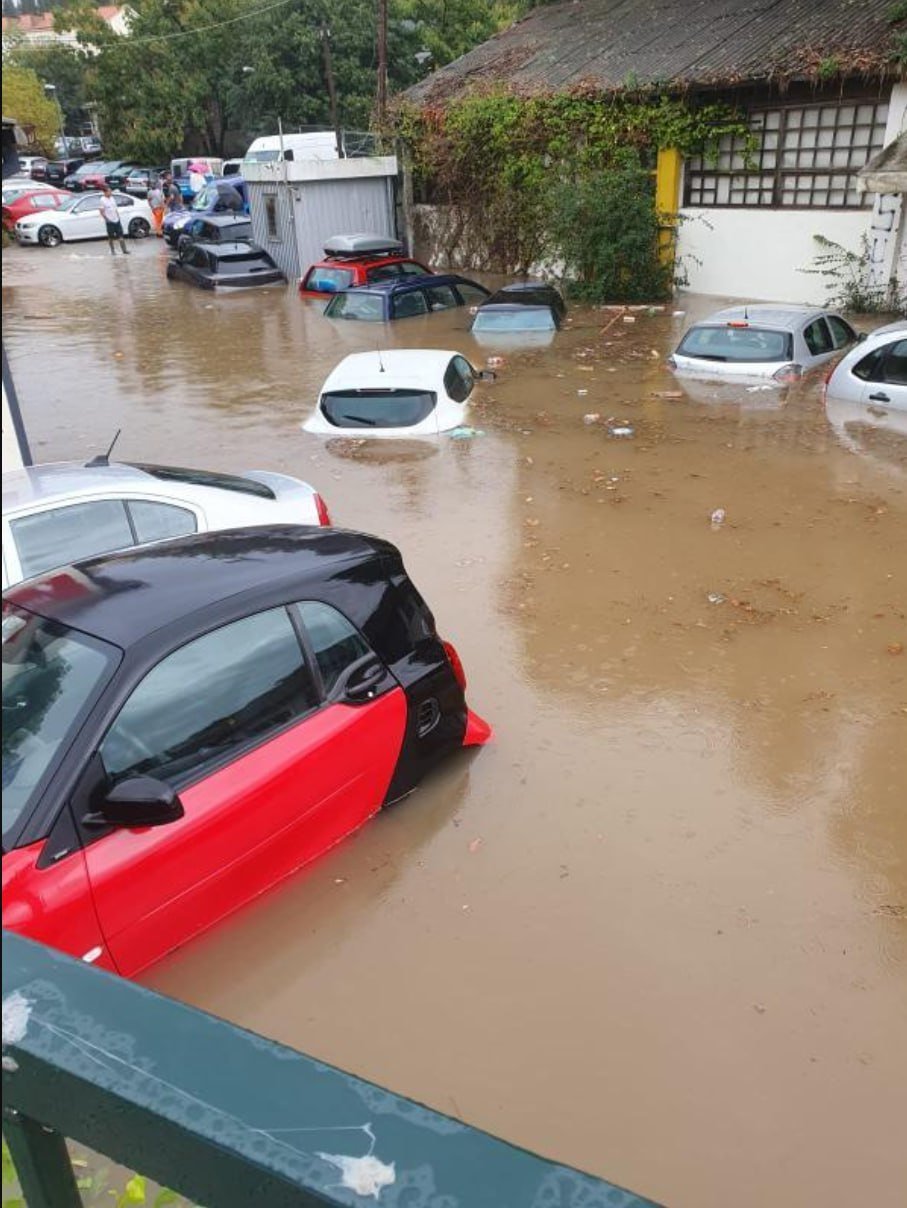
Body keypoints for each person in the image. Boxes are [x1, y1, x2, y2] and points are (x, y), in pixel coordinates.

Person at [99, 186, 129, 255]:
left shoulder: (112, 198)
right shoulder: (102, 200)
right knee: (111, 237)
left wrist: (118, 217)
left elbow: (115, 209)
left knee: (120, 235)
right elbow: (101, 211)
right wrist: (107, 219)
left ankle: (124, 250)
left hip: (117, 220)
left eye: (110, 191)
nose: (110, 193)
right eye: (109, 191)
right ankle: (112, 250)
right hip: (110, 221)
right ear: (105, 192)